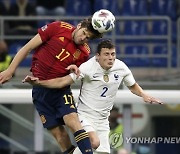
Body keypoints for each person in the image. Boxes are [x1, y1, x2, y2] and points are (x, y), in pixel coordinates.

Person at [23, 40, 163, 154]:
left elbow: (132, 85)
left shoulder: (121, 67)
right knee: (94, 142)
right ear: (97, 56)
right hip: (85, 115)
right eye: (106, 54)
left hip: (103, 120)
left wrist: (144, 95)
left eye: (113, 54)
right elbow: (63, 81)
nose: (111, 58)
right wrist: (40, 83)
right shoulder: (87, 67)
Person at [0, 16, 103, 153]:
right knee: (60, 136)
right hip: (39, 91)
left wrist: (74, 70)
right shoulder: (57, 27)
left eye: (88, 37)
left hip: (60, 90)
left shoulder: (84, 53)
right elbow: (28, 47)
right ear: (79, 26)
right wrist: (10, 70)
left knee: (72, 121)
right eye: (84, 33)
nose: (84, 38)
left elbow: (73, 76)